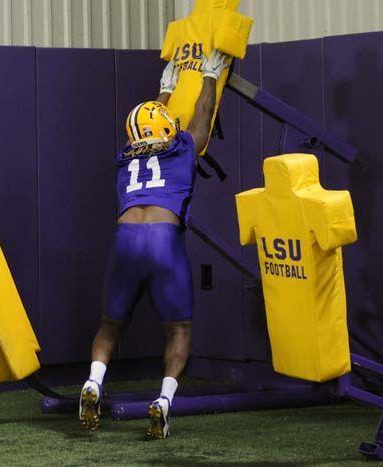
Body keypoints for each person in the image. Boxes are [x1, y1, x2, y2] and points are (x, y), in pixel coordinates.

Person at [80, 50, 231, 439]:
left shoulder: (123, 157)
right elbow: (202, 117)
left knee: (110, 326)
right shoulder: (181, 149)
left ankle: (93, 383)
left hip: (125, 239)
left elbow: (147, 127)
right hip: (163, 241)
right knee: (179, 330)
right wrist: (209, 78)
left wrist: (164, 91)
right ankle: (164, 401)